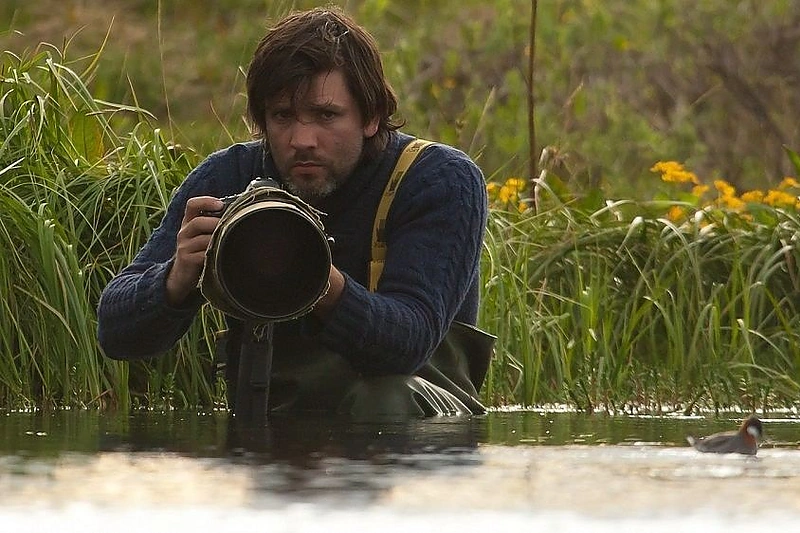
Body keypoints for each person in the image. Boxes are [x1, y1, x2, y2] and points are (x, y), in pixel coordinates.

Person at [96, 6, 493, 420]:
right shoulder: (233, 175)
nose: (302, 140)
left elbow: (408, 344)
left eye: (326, 115)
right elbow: (114, 332)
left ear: (372, 116)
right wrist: (175, 279)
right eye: (283, 116)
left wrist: (311, 277)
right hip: (276, 424)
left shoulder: (436, 179)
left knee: (383, 400)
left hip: (419, 430)